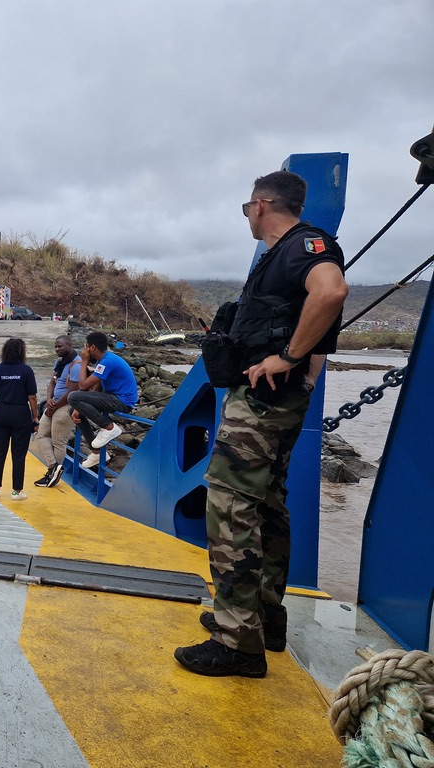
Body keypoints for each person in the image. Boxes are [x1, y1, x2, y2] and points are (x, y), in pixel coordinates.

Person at [174, 170, 348, 678]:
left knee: (229, 509)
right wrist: (306, 378)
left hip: (261, 405)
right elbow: (316, 323)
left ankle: (237, 643)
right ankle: (264, 620)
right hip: (281, 402)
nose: (247, 214)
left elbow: (331, 294)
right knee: (269, 505)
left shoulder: (302, 246)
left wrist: (286, 359)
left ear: (263, 205)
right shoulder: (286, 255)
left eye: (247, 206)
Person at [67, 331, 139, 467]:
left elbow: (82, 386)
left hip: (122, 401)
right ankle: (97, 453)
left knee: (73, 396)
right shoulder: (104, 361)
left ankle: (109, 427)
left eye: (85, 346)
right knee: (73, 409)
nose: (84, 350)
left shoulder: (108, 361)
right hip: (113, 397)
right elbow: (97, 388)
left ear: (92, 347)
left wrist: (84, 361)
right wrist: (79, 407)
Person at [0, 338, 39, 501]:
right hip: (20, 414)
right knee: (18, 454)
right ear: (22, 352)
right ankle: (16, 491)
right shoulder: (26, 371)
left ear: (5, 352)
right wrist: (35, 417)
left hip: (0, 413)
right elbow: (32, 397)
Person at [33, 335, 82, 488]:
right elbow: (52, 383)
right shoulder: (59, 362)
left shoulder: (77, 365)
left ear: (69, 345)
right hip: (53, 403)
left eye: (60, 346)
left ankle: (52, 476)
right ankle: (53, 467)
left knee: (58, 442)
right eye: (55, 346)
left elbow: (73, 392)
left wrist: (54, 406)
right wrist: (49, 399)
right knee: (40, 434)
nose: (57, 349)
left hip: (66, 406)